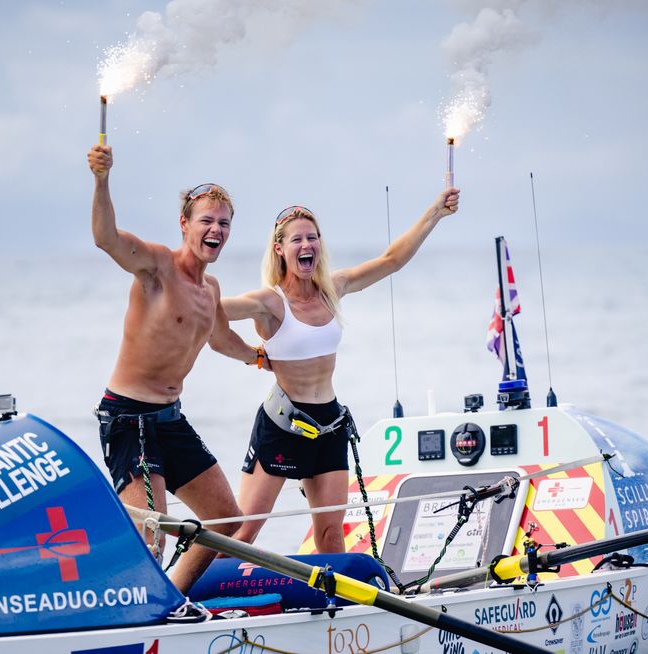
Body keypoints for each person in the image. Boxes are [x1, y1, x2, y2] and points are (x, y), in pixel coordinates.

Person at [221, 188, 460, 553]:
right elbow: (212, 311)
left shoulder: (334, 288)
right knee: (243, 532)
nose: (307, 245)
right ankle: (196, 597)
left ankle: (333, 608)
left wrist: (435, 213)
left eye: (313, 237)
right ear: (280, 249)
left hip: (329, 425)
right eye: (297, 239)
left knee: (332, 535)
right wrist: (249, 355)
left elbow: (392, 260)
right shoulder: (270, 302)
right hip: (282, 424)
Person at [87, 143, 265, 593]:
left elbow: (223, 339)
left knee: (227, 521)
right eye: (207, 220)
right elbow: (107, 238)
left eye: (224, 224)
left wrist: (264, 359)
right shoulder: (157, 269)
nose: (216, 230)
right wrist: (102, 179)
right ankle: (134, 615)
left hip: (170, 419)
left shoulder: (210, 290)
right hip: (128, 417)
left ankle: (171, 600)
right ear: (185, 224)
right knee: (150, 537)